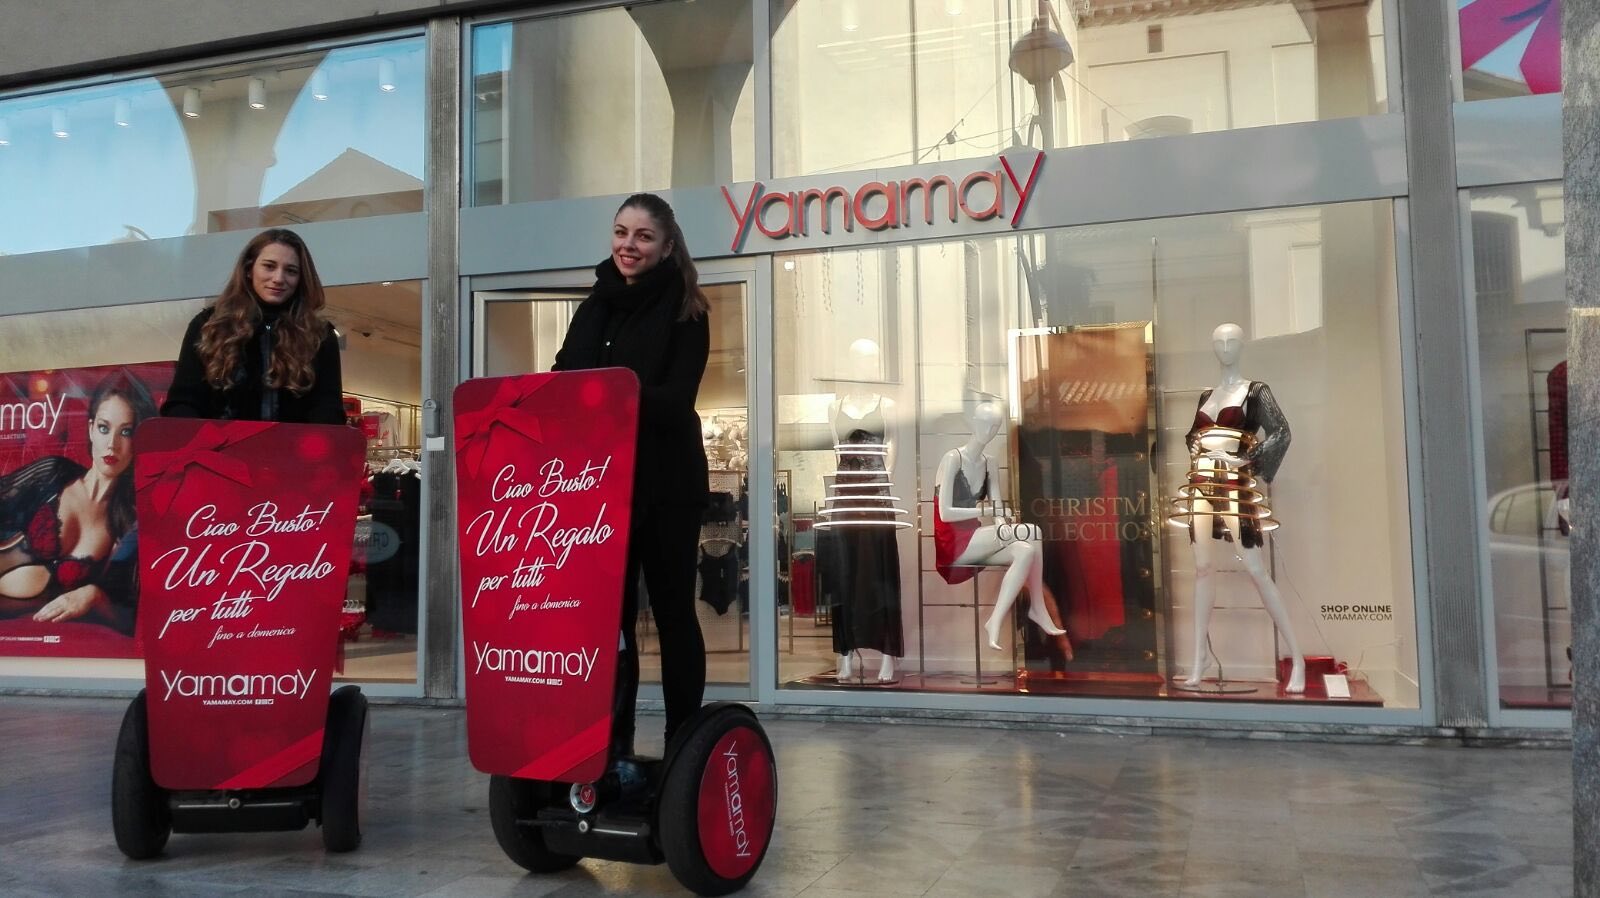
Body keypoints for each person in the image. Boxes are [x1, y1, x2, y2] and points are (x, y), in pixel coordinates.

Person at [553, 193, 709, 786]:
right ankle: (609, 745)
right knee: (607, 622)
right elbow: (564, 375)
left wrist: (608, 393)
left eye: (644, 236)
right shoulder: (594, 304)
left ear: (666, 246)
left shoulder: (688, 309)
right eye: (621, 232)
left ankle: (681, 749)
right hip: (601, 488)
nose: (628, 245)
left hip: (667, 485)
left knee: (673, 615)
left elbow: (676, 401)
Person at [0, 372, 158, 633]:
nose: (112, 444)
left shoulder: (127, 523)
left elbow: (130, 619)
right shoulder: (52, 475)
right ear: (91, 429)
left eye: (126, 432)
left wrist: (94, 595)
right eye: (104, 428)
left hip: (30, 639)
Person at [162, 228, 345, 424]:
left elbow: (328, 409)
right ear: (249, 269)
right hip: (218, 442)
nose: (278, 278)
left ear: (301, 278)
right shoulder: (209, 325)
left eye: (291, 271)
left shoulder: (319, 334)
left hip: (295, 444)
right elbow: (182, 403)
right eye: (269, 266)